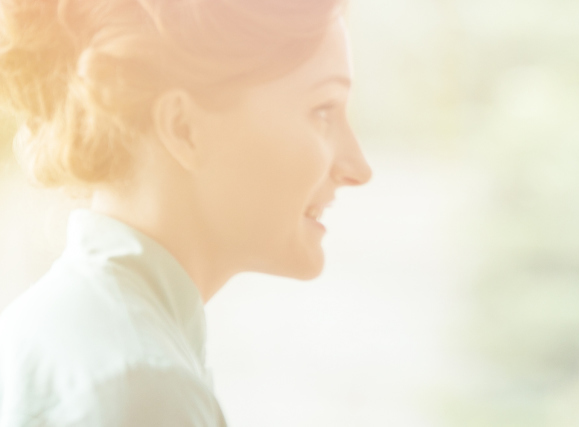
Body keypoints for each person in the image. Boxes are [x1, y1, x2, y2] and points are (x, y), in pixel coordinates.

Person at [0, 0, 370, 424]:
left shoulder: (57, 332)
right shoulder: (139, 387)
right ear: (183, 129)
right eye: (323, 110)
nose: (358, 167)